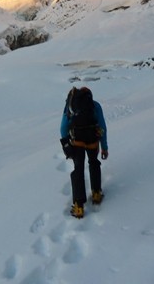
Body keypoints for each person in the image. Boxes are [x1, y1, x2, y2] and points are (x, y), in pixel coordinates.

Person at [60, 86, 108, 218]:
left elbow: (63, 127)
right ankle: (96, 193)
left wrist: (66, 144)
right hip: (92, 139)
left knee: (78, 169)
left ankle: (79, 206)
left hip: (77, 141)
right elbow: (102, 126)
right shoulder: (95, 105)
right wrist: (104, 146)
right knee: (94, 162)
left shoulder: (70, 106)